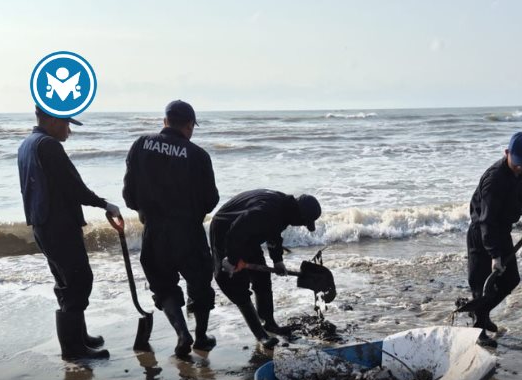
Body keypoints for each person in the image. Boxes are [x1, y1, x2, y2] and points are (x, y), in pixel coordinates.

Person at [17, 107, 119, 360]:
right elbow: (73, 186)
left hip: (42, 224)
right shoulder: (48, 146)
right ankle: (73, 350)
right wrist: (104, 204)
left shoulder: (27, 145)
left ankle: (78, 338)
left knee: (66, 281)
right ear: (52, 121)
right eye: (66, 124)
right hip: (58, 225)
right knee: (79, 280)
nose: (69, 131)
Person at [123, 100, 219, 357]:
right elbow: (211, 199)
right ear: (189, 125)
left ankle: (181, 333)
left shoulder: (141, 144)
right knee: (199, 283)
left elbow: (129, 194)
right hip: (188, 231)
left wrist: (144, 210)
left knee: (163, 285)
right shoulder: (198, 155)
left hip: (154, 231)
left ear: (165, 121)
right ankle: (200, 337)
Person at [210, 189, 322, 349]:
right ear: (298, 213)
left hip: (247, 234)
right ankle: (261, 335)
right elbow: (237, 229)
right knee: (236, 284)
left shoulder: (284, 210)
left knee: (261, 279)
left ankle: (269, 323)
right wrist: (232, 259)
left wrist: (277, 261)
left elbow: (273, 233)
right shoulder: (266, 210)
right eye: (304, 221)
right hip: (226, 231)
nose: (303, 225)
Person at [467, 132, 522, 338]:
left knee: (510, 280)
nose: (520, 167)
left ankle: (481, 312)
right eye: (517, 162)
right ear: (507, 152)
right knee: (481, 286)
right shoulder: (493, 181)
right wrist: (494, 255)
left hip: (501, 231)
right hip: (481, 234)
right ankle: (478, 333)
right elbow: (486, 221)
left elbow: (521, 197)